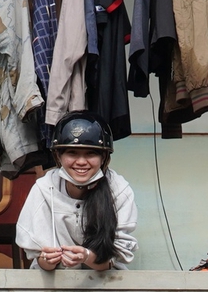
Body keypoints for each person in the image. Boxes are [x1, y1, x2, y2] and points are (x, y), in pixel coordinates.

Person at [15, 115, 137, 271]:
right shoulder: (44, 188)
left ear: (104, 157)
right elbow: (39, 258)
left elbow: (115, 257)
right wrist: (48, 259)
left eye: (91, 153)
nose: (81, 162)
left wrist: (87, 257)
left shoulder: (119, 190)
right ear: (58, 156)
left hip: (105, 283)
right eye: (72, 153)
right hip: (54, 286)